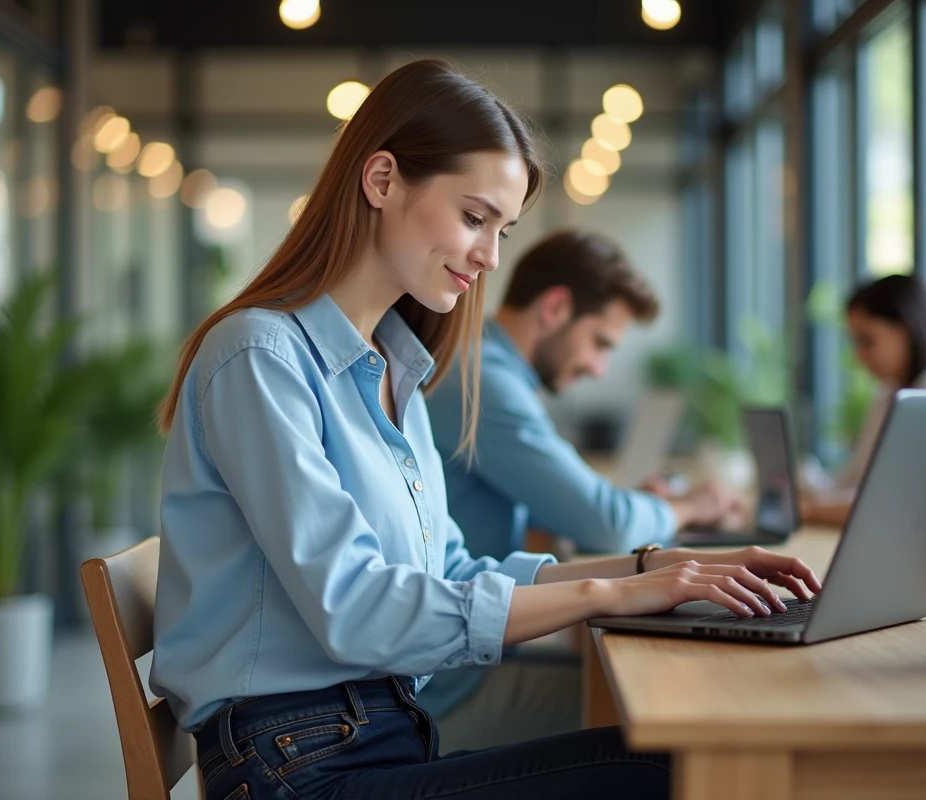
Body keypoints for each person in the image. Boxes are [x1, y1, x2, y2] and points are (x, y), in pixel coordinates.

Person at [149, 59, 820, 800]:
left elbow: (454, 573)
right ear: (380, 181)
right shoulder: (260, 355)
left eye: (502, 229)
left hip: (370, 737)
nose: (490, 257)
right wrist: (609, 595)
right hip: (300, 766)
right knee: (680, 771)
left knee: (686, 754)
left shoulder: (393, 369)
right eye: (474, 217)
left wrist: (650, 571)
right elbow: (357, 611)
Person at [418, 230, 743, 750]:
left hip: (461, 658)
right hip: (442, 692)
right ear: (556, 307)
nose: (598, 368)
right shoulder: (479, 377)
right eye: (600, 343)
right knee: (676, 722)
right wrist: (686, 507)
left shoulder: (489, 369)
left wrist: (643, 508)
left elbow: (577, 510)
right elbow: (604, 522)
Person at [804, 273, 926, 526]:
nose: (859, 356)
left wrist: (812, 509)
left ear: (906, 329)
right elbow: (857, 481)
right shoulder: (889, 395)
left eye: (867, 340)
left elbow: (903, 502)